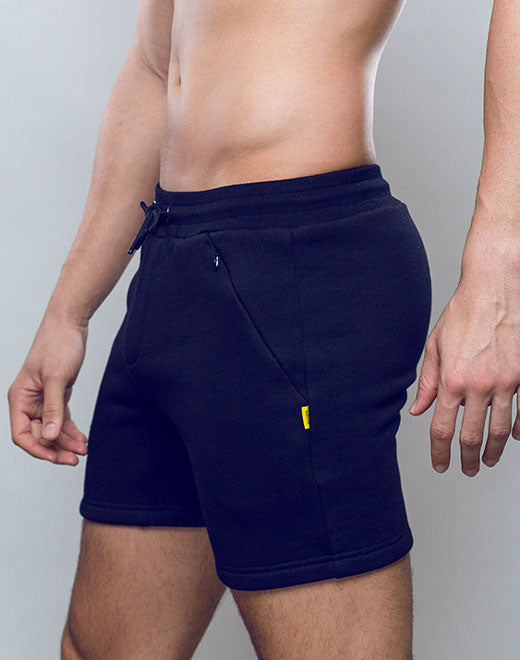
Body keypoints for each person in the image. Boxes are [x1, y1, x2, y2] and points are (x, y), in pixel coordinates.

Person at [7, 0, 520, 657]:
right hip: (172, 263)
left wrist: (496, 279)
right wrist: (67, 312)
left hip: (299, 269)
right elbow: (157, 67)